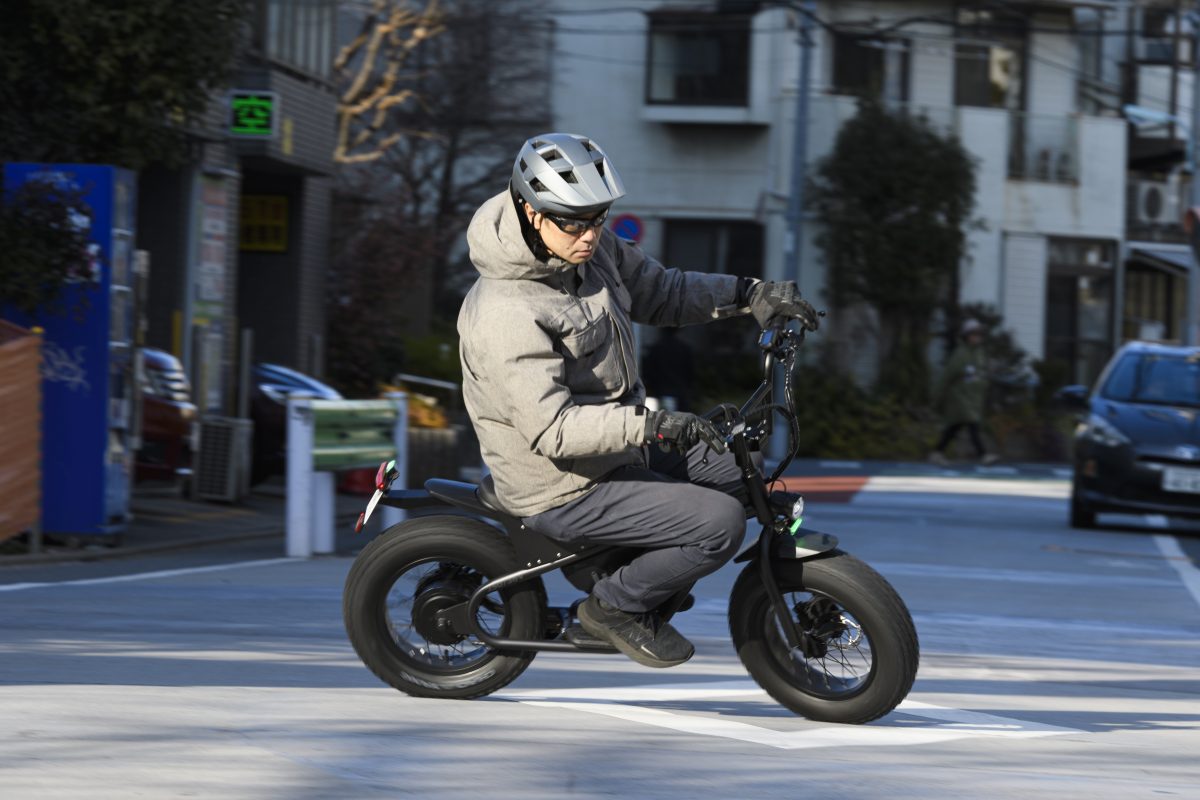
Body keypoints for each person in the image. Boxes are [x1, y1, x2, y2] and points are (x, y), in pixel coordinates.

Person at [457, 133, 819, 668]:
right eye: (573, 223)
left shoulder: (592, 253)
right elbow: (553, 430)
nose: (589, 234)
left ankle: (639, 570)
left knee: (735, 467)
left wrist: (749, 294)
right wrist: (651, 426)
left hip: (613, 451)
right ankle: (613, 608)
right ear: (531, 212)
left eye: (598, 218)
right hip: (560, 483)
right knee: (718, 524)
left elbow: (663, 291)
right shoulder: (506, 311)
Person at [929, 318, 998, 465]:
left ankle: (937, 452)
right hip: (960, 397)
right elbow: (947, 376)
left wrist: (985, 382)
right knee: (973, 424)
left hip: (974, 398)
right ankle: (984, 455)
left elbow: (981, 373)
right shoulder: (960, 354)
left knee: (954, 427)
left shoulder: (980, 353)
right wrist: (936, 396)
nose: (977, 337)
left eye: (978, 334)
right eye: (973, 334)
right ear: (966, 336)